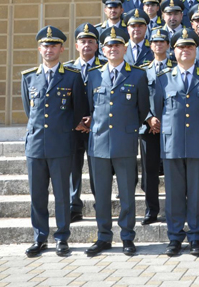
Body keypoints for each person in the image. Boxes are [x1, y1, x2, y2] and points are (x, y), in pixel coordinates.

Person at [150, 28, 199, 257]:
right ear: (173, 50)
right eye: (181, 46)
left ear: (196, 50)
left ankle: (196, 237)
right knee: (174, 194)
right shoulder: (162, 79)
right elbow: (157, 110)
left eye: (190, 46)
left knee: (197, 194)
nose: (185, 50)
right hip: (172, 144)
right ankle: (175, 237)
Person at [21, 26, 87, 257]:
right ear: (40, 49)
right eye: (45, 45)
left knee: (61, 195)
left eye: (54, 45)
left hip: (62, 145)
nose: (49, 49)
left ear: (62, 48)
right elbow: (30, 112)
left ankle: (61, 238)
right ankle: (39, 237)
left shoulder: (72, 76)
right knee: (37, 196)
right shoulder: (28, 77)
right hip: (36, 145)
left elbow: (79, 110)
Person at [84, 27, 150, 256]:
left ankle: (127, 237)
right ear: (103, 50)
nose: (113, 49)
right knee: (100, 196)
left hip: (125, 142)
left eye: (117, 45)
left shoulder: (138, 75)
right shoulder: (93, 75)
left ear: (125, 48)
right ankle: (103, 237)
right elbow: (89, 109)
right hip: (99, 143)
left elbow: (143, 110)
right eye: (109, 46)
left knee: (127, 196)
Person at [64, 23, 105, 224]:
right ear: (76, 45)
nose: (87, 45)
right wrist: (77, 122)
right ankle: (74, 207)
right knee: (73, 167)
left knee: (97, 168)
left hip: (100, 127)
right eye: (83, 41)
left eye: (90, 41)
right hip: (74, 128)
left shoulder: (106, 66)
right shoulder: (67, 69)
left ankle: (101, 205)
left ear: (97, 46)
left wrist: (94, 118)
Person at [139, 28, 176, 227]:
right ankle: (151, 210)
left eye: (163, 41)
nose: (159, 45)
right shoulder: (142, 70)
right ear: (150, 45)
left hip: (172, 128)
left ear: (168, 45)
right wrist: (149, 119)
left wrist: (166, 122)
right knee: (149, 172)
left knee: (174, 170)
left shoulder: (176, 67)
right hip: (148, 129)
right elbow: (139, 99)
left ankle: (175, 209)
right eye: (155, 42)